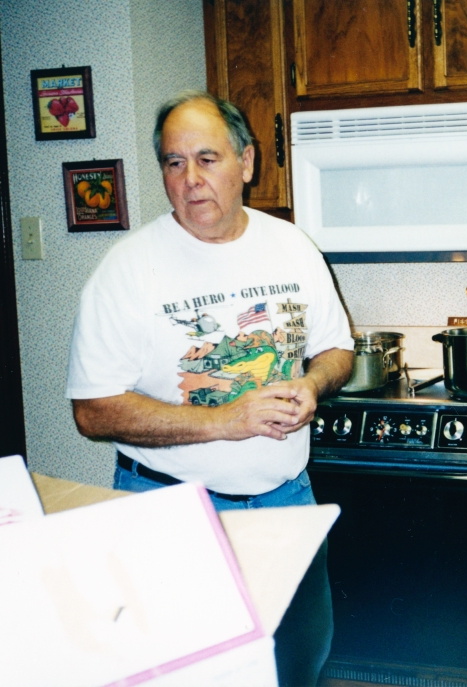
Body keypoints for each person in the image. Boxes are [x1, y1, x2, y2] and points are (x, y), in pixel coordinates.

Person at [65, 90, 354, 687]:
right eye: (175, 162)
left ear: (246, 162)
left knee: (297, 668)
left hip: (285, 504)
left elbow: (337, 350)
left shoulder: (291, 246)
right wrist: (228, 419)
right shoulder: (126, 270)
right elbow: (92, 412)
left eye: (207, 158)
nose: (191, 179)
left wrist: (312, 383)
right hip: (173, 514)